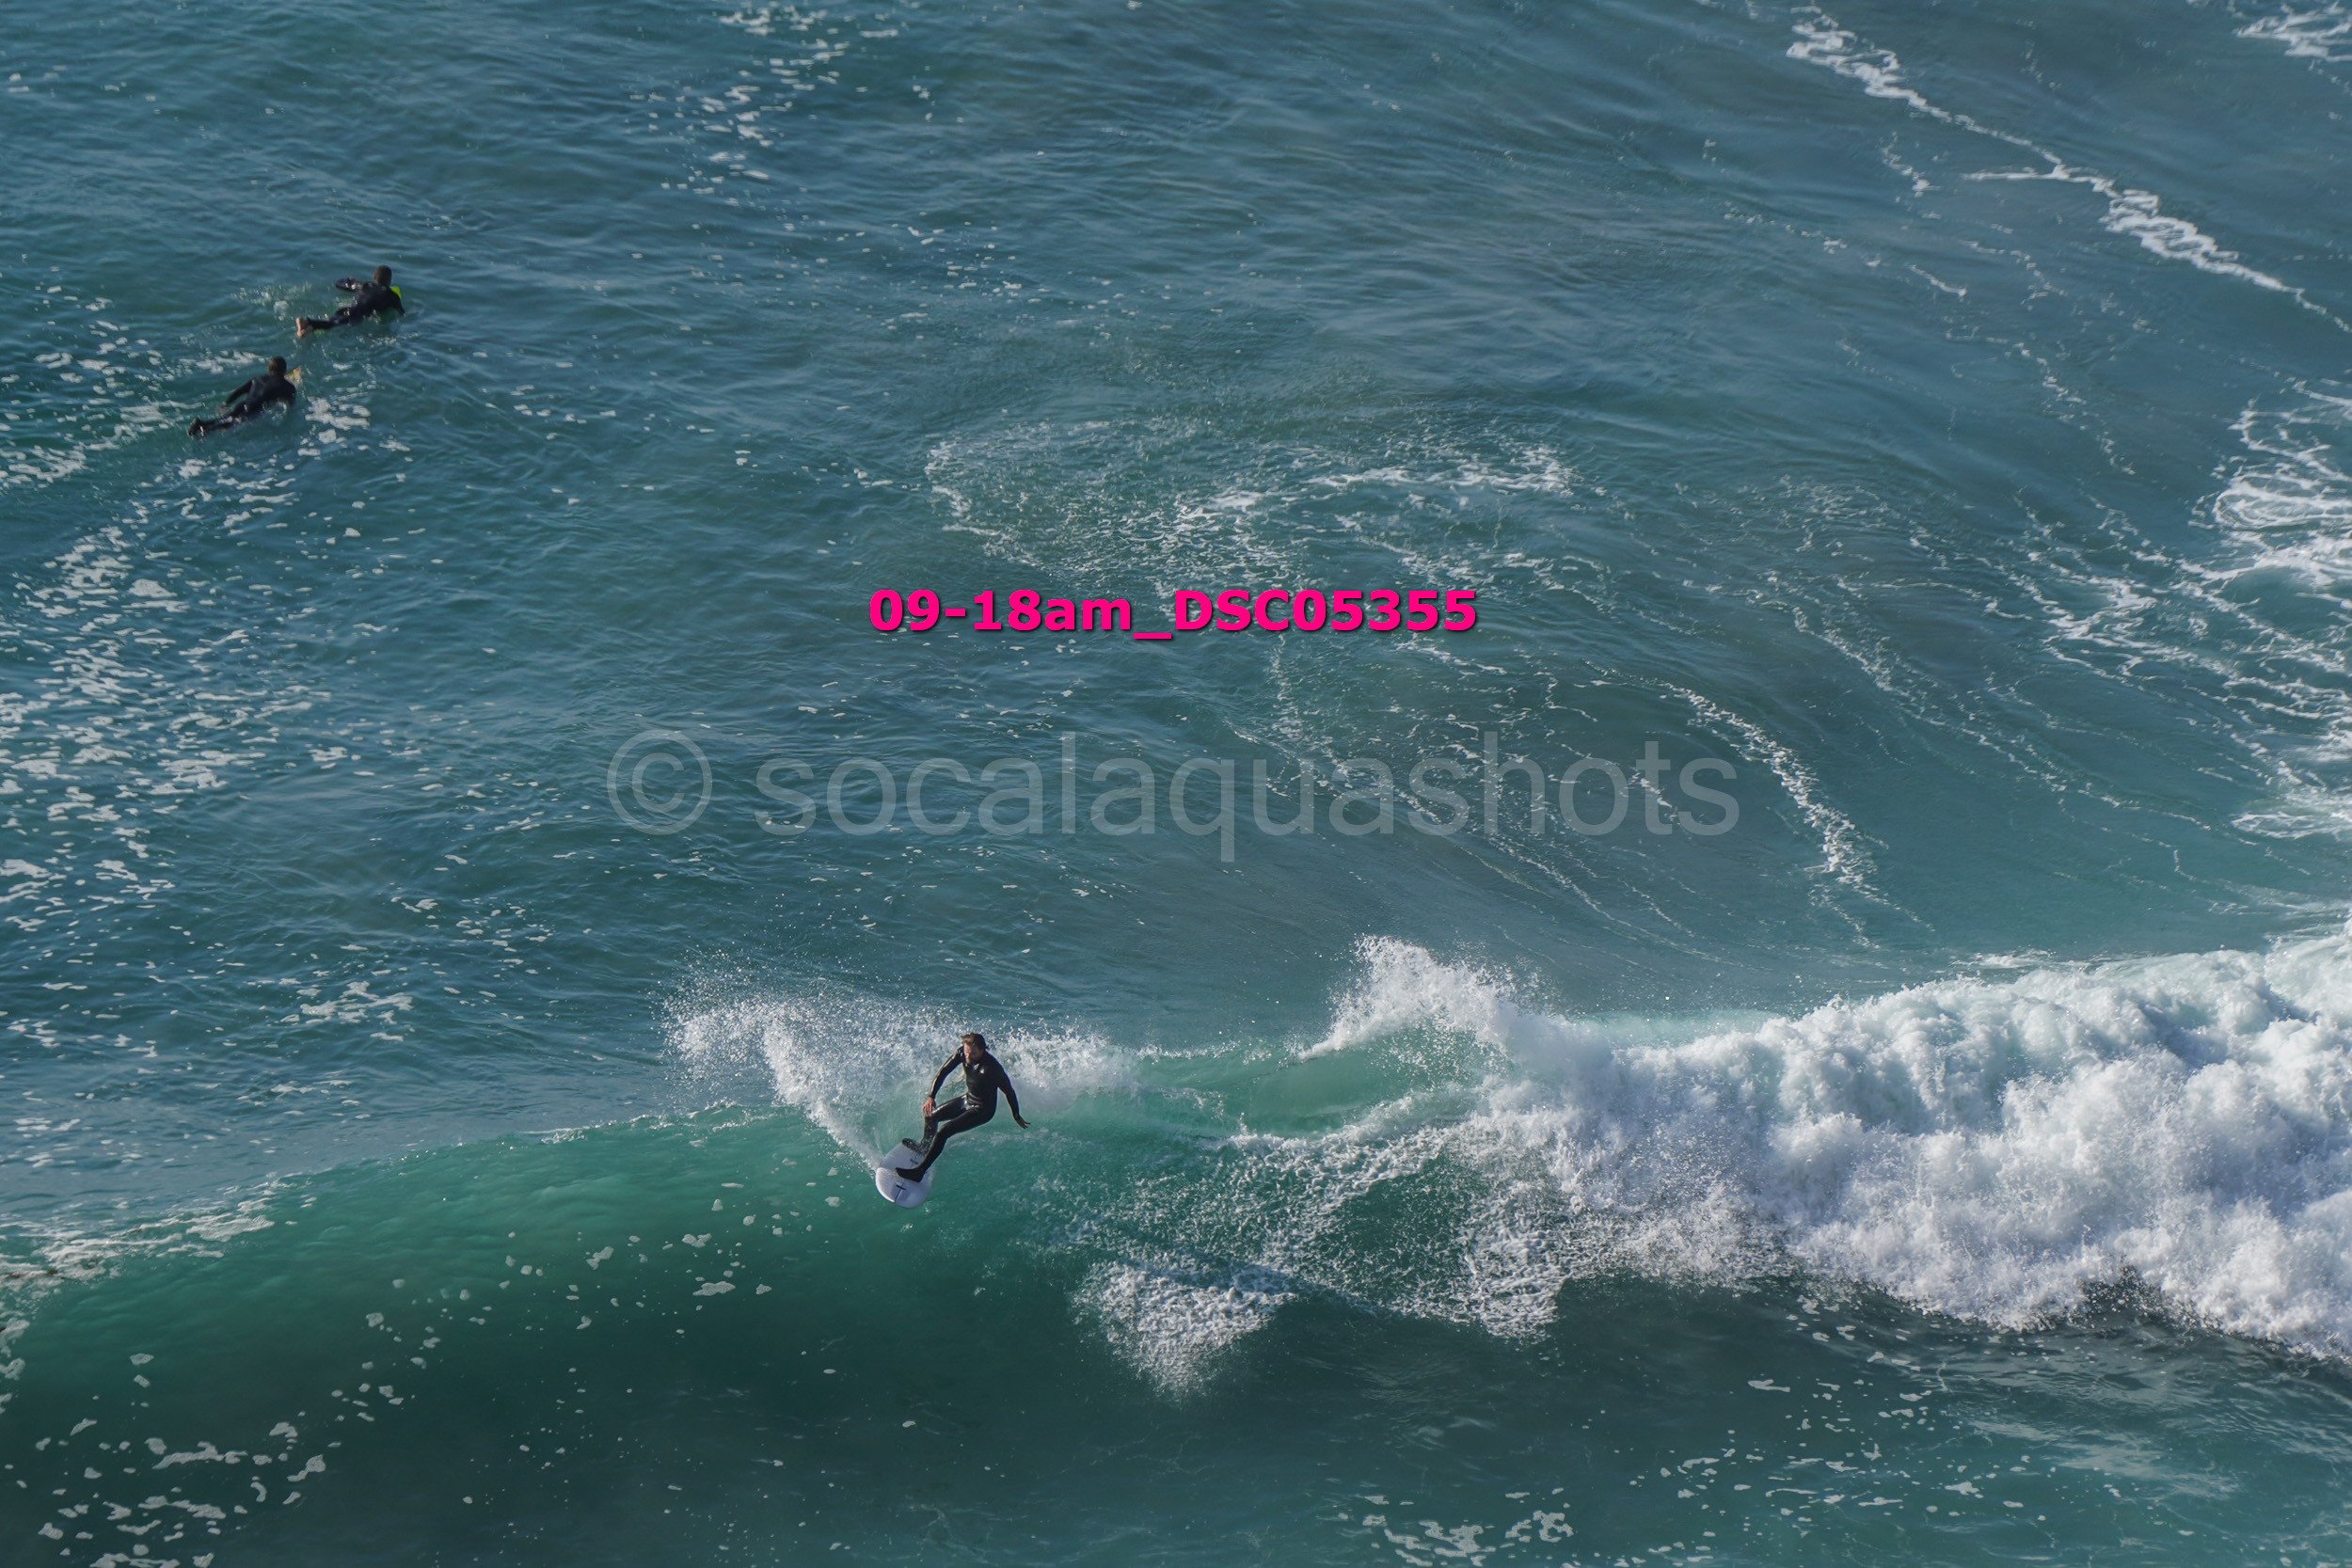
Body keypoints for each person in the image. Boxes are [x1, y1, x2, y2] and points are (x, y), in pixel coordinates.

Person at [899, 1032, 1028, 1182]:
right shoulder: (962, 1053)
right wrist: (931, 1096)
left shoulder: (992, 1069)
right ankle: (925, 1146)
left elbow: (1009, 1092)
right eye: (967, 1051)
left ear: (983, 1050)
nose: (968, 1056)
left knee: (943, 1132)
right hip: (968, 1099)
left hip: (982, 1110)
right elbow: (943, 1072)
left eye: (973, 1053)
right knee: (931, 1116)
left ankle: (919, 1172)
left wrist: (1016, 1115)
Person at [188, 356, 298, 436]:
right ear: (284, 371)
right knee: (232, 423)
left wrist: (226, 403)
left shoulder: (258, 378)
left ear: (269, 370)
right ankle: (207, 429)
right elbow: (291, 405)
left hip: (242, 404)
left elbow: (239, 392)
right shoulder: (287, 386)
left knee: (224, 419)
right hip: (254, 409)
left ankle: (201, 423)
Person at [296, 265, 404, 337]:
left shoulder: (365, 285)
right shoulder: (392, 296)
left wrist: (352, 281)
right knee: (334, 324)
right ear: (389, 281)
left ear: (374, 277)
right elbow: (401, 313)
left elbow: (341, 283)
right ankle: (308, 322)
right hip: (358, 315)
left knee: (332, 321)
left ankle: (309, 327)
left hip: (348, 309)